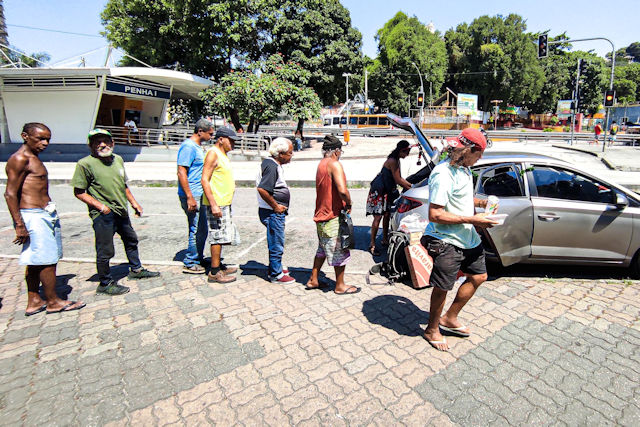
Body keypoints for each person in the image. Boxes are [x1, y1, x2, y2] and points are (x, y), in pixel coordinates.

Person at [420, 128, 498, 351]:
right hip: (445, 239)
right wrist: (473, 219)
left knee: (479, 276)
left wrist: (481, 203)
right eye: (479, 154)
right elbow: (435, 214)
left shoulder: (463, 169)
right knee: (443, 286)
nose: (480, 159)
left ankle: (450, 318)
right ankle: (431, 329)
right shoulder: (442, 173)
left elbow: (459, 195)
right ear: (469, 150)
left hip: (467, 237)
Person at [4, 123, 85, 315]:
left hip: (43, 213)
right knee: (48, 260)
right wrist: (19, 225)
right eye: (40, 138)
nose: (45, 143)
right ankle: (53, 301)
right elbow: (9, 194)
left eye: (48, 139)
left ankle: (34, 301)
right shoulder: (19, 159)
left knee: (35, 260)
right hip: (33, 214)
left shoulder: (33, 157)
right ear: (25, 136)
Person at [71, 129, 160, 296]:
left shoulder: (118, 159)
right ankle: (105, 283)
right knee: (105, 249)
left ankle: (136, 269)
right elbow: (79, 192)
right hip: (103, 214)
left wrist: (134, 203)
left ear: (112, 143)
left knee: (131, 239)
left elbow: (122, 184)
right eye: (97, 142)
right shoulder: (85, 164)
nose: (102, 145)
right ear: (91, 145)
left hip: (121, 210)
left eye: (105, 141)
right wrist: (101, 207)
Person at [306, 135, 360, 295]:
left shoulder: (321, 163)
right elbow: (342, 190)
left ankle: (313, 279)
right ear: (336, 151)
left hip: (320, 215)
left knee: (322, 249)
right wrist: (349, 203)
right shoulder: (334, 164)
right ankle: (340, 285)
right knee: (339, 250)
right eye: (341, 150)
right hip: (331, 216)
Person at [201, 127, 241, 283]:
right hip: (217, 203)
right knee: (217, 237)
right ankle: (214, 272)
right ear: (221, 139)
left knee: (223, 235)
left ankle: (219, 265)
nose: (233, 144)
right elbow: (204, 179)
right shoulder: (213, 154)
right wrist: (213, 204)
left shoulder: (223, 154)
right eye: (231, 141)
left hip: (224, 203)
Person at [177, 119, 213, 274]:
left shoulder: (198, 147)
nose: (211, 137)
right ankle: (191, 261)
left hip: (199, 193)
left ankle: (197, 256)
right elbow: (181, 172)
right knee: (195, 228)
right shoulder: (188, 147)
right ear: (200, 131)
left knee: (202, 229)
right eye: (209, 134)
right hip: (193, 194)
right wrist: (189, 196)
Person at [256, 137, 295, 283]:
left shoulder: (272, 164)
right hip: (272, 213)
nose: (292, 155)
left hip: (273, 212)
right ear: (280, 154)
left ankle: (275, 267)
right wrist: (276, 206)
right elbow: (262, 189)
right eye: (290, 153)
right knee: (276, 242)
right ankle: (276, 274)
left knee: (276, 241)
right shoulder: (271, 166)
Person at [366, 140, 412, 255]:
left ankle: (385, 239)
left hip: (386, 190)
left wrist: (409, 186)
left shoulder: (396, 159)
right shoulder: (393, 161)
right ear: (402, 150)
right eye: (407, 152)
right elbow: (398, 180)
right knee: (378, 217)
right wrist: (412, 187)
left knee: (386, 215)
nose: (408, 154)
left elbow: (399, 178)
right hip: (380, 190)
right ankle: (372, 244)